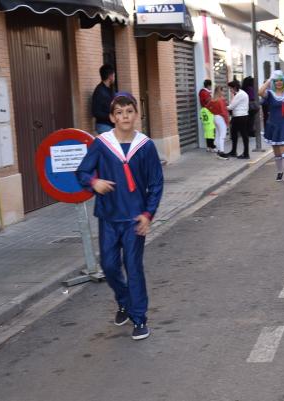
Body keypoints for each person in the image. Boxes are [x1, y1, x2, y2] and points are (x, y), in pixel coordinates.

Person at [76, 92, 164, 341]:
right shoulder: (102, 144)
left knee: (133, 267)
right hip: (109, 216)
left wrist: (149, 214)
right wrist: (94, 182)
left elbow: (156, 183)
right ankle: (124, 301)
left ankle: (139, 318)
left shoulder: (145, 146)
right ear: (112, 117)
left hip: (135, 218)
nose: (124, 116)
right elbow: (82, 171)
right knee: (109, 265)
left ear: (136, 114)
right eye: (119, 112)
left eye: (129, 111)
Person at [227, 80, 250, 159]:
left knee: (243, 135)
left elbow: (231, 107)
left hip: (240, 117)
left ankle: (245, 153)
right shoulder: (240, 93)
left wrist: (222, 107)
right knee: (234, 134)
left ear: (234, 87)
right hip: (240, 116)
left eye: (230, 88)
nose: (230, 90)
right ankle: (234, 151)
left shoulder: (240, 95)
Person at [92, 64, 116, 134]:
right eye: (114, 75)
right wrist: (110, 116)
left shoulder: (111, 89)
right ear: (110, 76)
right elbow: (95, 112)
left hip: (111, 125)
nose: (114, 78)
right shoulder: (99, 91)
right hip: (103, 126)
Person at [209, 85, 230, 160]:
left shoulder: (213, 100)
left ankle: (218, 151)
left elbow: (207, 107)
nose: (223, 92)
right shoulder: (221, 100)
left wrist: (213, 111)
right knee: (222, 136)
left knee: (218, 135)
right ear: (219, 91)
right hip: (220, 118)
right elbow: (223, 112)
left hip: (215, 117)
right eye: (222, 90)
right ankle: (221, 152)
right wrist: (227, 120)